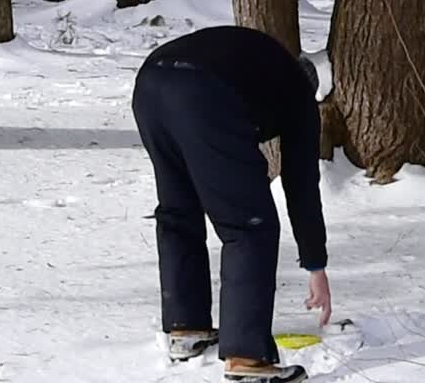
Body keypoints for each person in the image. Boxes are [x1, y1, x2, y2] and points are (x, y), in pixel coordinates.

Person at [132, 26, 333, 383]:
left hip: (151, 83)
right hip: (203, 93)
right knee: (249, 227)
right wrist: (316, 263)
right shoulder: (298, 95)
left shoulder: (261, 62)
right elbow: (302, 182)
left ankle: (186, 326)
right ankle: (248, 358)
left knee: (179, 210)